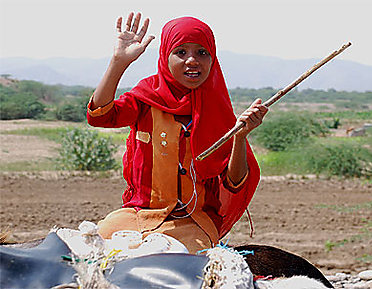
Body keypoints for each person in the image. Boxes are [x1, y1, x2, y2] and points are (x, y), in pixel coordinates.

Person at [87, 12, 268, 253]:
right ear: (165, 56)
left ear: (213, 59)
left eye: (202, 53)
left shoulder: (217, 110)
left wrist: (240, 137)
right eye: (181, 52)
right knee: (89, 254)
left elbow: (234, 183)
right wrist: (119, 62)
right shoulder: (145, 96)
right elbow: (101, 116)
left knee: (187, 270)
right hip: (137, 215)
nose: (192, 60)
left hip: (194, 223)